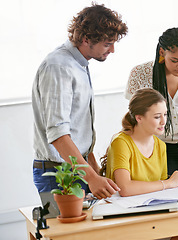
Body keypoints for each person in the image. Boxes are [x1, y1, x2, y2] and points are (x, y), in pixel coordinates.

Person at [32, 3, 128, 200]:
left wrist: (95, 170)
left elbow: (78, 128)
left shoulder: (79, 64)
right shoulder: (59, 66)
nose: (112, 50)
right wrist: (92, 177)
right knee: (66, 232)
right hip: (58, 174)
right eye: (107, 43)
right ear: (86, 39)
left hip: (78, 168)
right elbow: (58, 133)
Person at [100, 88, 178, 240]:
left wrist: (176, 185)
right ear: (139, 118)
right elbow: (125, 188)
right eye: (157, 117)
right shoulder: (121, 143)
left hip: (155, 214)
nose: (164, 121)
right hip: (129, 219)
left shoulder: (160, 145)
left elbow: (161, 192)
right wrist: (168, 183)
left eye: (165, 115)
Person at [125, 28, 178, 181]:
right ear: (162, 52)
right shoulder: (140, 73)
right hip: (161, 147)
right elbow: (134, 113)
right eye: (175, 60)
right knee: (172, 195)